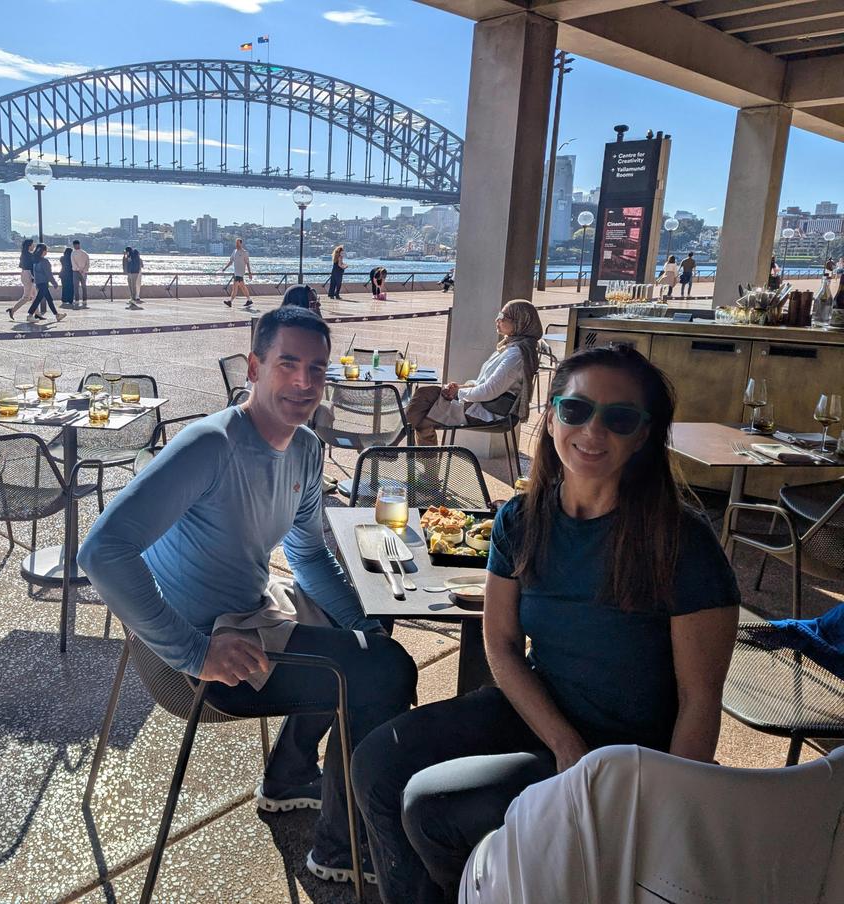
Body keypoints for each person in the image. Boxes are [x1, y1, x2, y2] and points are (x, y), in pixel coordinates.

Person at [352, 344, 741, 903]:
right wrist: (562, 742)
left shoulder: (681, 542)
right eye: (577, 409)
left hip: (628, 754)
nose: (592, 430)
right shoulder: (521, 518)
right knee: (376, 762)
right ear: (552, 415)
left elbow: (700, 697)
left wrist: (666, 809)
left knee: (434, 808)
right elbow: (502, 643)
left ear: (644, 435)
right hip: (542, 714)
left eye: (620, 417)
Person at [79, 306, 418, 886]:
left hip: (251, 612)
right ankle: (342, 849)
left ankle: (289, 777)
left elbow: (308, 555)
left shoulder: (306, 451)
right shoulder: (210, 446)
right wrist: (194, 652)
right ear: (256, 368)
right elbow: (102, 552)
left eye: (316, 368)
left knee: (369, 645)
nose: (304, 383)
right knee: (384, 673)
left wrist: (369, 626)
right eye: (288, 363)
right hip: (207, 652)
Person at [405, 299, 542, 445]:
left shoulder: (516, 355)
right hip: (484, 403)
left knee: (421, 418)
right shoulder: (511, 347)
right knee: (424, 394)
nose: (497, 320)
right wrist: (461, 388)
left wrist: (458, 393)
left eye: (502, 317)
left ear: (519, 322)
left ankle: (395, 442)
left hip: (490, 412)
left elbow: (489, 391)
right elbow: (484, 383)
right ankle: (402, 444)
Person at [27, 245, 64, 323]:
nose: (47, 252)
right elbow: (49, 274)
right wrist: (55, 284)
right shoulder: (44, 262)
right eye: (46, 250)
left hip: (38, 283)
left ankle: (57, 315)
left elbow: (34, 273)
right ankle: (30, 315)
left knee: (49, 299)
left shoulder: (35, 261)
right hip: (43, 283)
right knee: (38, 299)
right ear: (43, 251)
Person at [7, 238, 37, 320]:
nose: (34, 245)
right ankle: (13, 310)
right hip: (29, 275)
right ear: (29, 246)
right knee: (26, 297)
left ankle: (37, 313)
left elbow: (21, 265)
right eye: (32, 244)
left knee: (35, 295)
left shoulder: (23, 254)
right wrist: (33, 277)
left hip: (24, 273)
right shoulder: (30, 255)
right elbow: (32, 267)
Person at [221, 238, 254, 309]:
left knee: (235, 288)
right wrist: (225, 268)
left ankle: (230, 301)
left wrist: (249, 273)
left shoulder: (244, 252)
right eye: (236, 243)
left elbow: (247, 263)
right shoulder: (234, 251)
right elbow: (231, 261)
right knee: (242, 287)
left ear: (241, 244)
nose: (237, 245)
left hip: (240, 273)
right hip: (236, 273)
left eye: (238, 243)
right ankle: (249, 300)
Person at [71, 240, 90, 308]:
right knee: (84, 287)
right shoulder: (85, 253)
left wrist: (79, 269)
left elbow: (73, 263)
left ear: (74, 245)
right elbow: (88, 263)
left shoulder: (73, 253)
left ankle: (77, 301)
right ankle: (84, 301)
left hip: (76, 272)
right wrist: (83, 270)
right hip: (84, 272)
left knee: (76, 287)